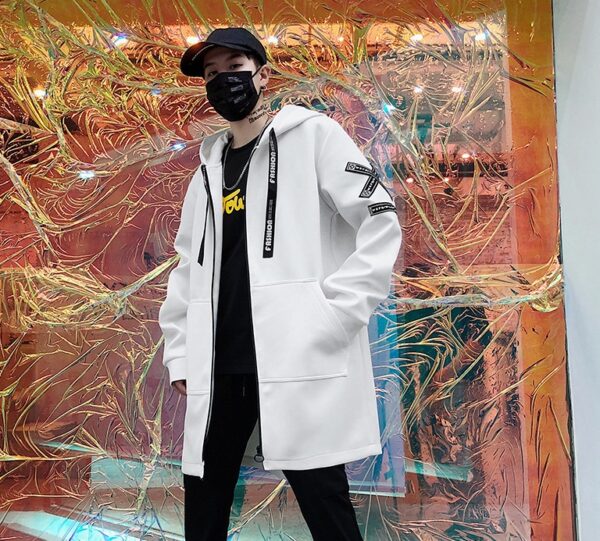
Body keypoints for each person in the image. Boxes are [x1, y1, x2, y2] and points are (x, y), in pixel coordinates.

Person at [159, 26, 403, 540]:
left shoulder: (313, 137)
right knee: (204, 504)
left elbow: (380, 220)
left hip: (296, 355)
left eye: (234, 68)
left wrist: (335, 313)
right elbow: (187, 268)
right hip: (219, 365)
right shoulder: (206, 171)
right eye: (211, 73)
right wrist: (180, 352)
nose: (223, 81)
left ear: (263, 75)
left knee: (324, 502)